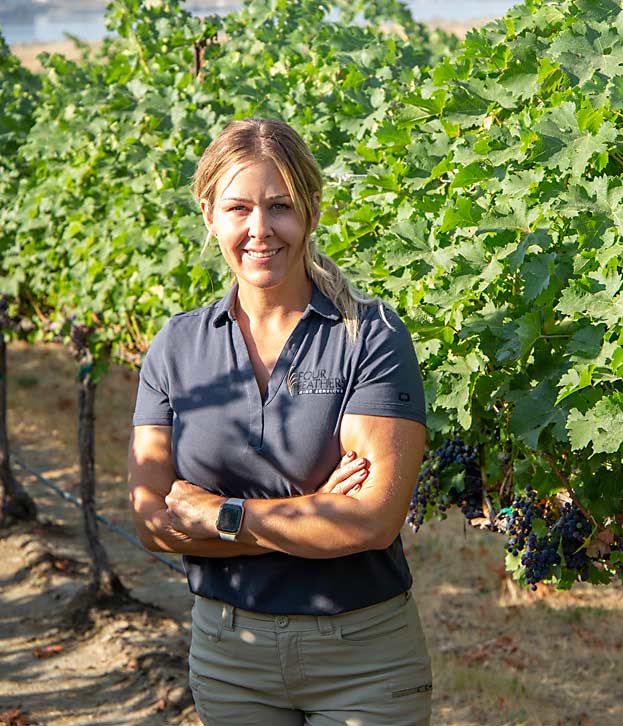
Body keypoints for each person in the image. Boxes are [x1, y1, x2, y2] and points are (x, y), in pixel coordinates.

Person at [127, 118, 432, 725]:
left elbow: (371, 520)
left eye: (280, 206)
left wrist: (220, 513)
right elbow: (151, 521)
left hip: (363, 660)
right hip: (228, 659)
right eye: (239, 208)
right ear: (209, 213)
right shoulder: (176, 346)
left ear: (312, 210)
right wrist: (314, 513)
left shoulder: (369, 336)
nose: (259, 230)